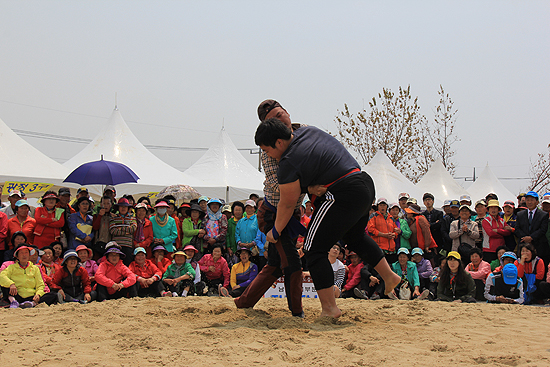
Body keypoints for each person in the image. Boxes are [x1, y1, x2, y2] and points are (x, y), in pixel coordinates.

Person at [254, 118, 401, 317]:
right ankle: (389, 275)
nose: (268, 156)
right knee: (354, 237)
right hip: (364, 184)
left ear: (279, 143)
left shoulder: (288, 162)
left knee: (313, 250)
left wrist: (275, 231)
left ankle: (330, 308)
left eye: (267, 150)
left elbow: (287, 204)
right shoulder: (310, 132)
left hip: (342, 193)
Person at [234, 100, 307, 318]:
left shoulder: (303, 134)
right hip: (274, 211)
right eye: (273, 119)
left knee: (275, 265)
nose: (280, 119)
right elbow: (277, 183)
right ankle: (297, 312)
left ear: (287, 112)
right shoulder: (268, 149)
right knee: (292, 263)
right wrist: (308, 185)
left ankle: (243, 302)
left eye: (281, 113)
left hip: (291, 211)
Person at [515, 191, 549, 268]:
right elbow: (517, 229)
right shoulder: (520, 214)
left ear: (537, 202)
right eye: (528, 200)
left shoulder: (543, 215)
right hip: (523, 246)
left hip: (538, 246)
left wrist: (531, 238)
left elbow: (543, 229)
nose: (529, 202)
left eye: (532, 200)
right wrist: (525, 238)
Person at [367, 198, 398, 264]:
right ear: (378, 206)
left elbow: (396, 230)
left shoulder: (391, 217)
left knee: (391, 268)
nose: (382, 207)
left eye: (384, 205)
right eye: (381, 205)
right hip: (379, 247)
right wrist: (384, 235)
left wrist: (394, 234)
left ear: (387, 206)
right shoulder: (374, 216)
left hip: (391, 249)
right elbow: (370, 230)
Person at [109, 198, 137, 265]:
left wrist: (119, 228)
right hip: (116, 246)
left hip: (128, 246)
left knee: (127, 266)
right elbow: (113, 230)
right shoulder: (113, 218)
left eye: (125, 207)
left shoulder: (132, 218)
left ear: (128, 208)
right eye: (121, 206)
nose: (123, 208)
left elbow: (133, 228)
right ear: (118, 207)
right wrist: (127, 232)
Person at [235, 200, 259, 264]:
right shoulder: (241, 221)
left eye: (251, 207)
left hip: (253, 250)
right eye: (247, 207)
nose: (249, 209)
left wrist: (253, 243)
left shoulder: (257, 220)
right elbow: (237, 233)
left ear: (254, 209)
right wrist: (239, 242)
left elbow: (259, 234)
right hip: (242, 249)